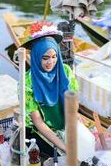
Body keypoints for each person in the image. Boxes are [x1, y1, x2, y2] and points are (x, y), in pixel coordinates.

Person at [22, 21, 78, 154]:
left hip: (64, 119)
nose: (50, 62)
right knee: (59, 154)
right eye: (45, 58)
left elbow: (73, 102)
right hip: (37, 128)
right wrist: (64, 147)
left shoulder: (65, 71)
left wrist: (72, 124)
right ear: (36, 58)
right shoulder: (27, 83)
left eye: (54, 57)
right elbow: (38, 122)